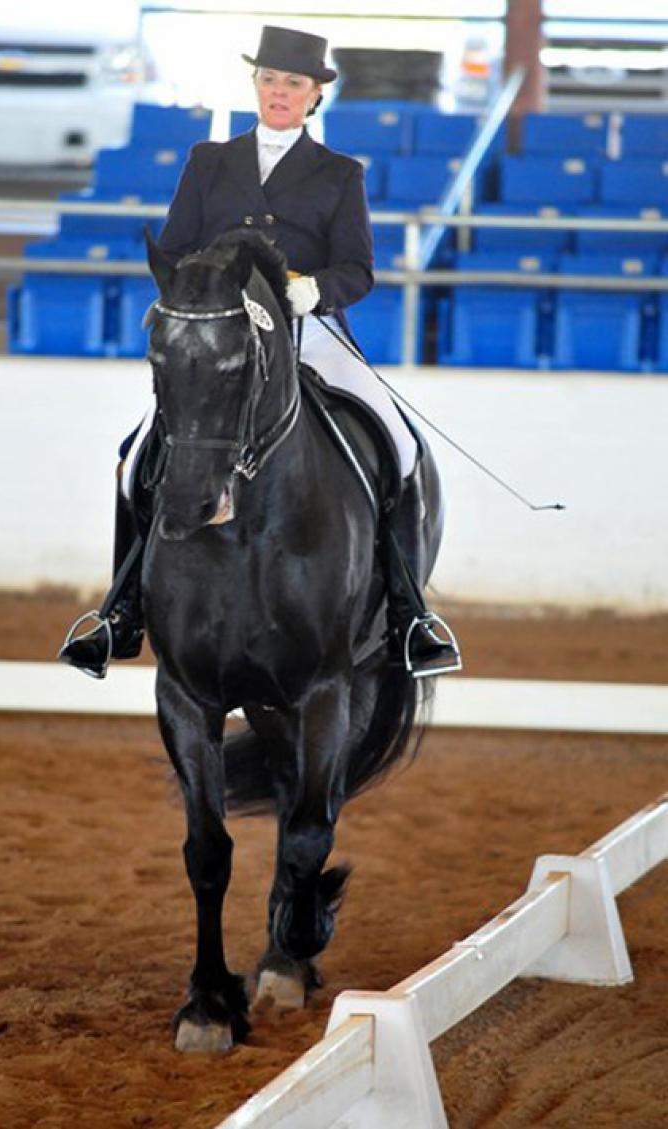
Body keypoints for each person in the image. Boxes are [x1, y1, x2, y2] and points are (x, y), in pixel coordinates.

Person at [59, 25, 461, 680]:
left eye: (292, 83)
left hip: (310, 331)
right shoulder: (209, 161)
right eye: (270, 79)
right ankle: (121, 611)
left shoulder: (340, 174)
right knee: (136, 458)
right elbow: (176, 246)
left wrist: (312, 291)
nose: (279, 92)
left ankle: (408, 616)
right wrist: (202, 293)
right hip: (224, 334)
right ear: (256, 84)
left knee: (400, 442)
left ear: (314, 95)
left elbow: (358, 269)